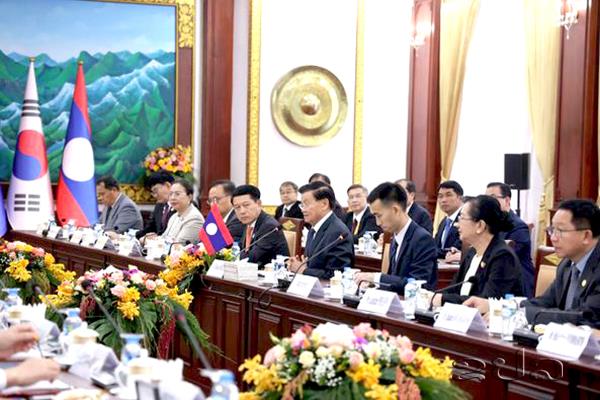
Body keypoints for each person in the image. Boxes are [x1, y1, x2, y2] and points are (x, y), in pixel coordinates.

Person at [464, 199, 600, 328]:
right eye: (552, 230)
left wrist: (521, 315)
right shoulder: (566, 265)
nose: (553, 238)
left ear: (586, 236)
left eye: (560, 231)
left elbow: (587, 317)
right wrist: (496, 307)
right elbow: (544, 302)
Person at [431, 195, 523, 306]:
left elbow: (485, 301)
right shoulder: (472, 253)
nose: (456, 224)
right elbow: (454, 289)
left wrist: (442, 299)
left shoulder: (503, 257)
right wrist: (432, 296)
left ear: (480, 225)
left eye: (462, 218)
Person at [353, 182, 437, 293]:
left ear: (395, 210)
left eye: (379, 216)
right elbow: (394, 281)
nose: (378, 223)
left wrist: (375, 278)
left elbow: (417, 284)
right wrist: (373, 284)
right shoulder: (395, 237)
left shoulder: (422, 239)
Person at [288, 181, 354, 279]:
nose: (303, 209)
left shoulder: (338, 233)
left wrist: (303, 270)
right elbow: (313, 264)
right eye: (302, 205)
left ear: (324, 204)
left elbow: (337, 275)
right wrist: (301, 264)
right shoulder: (313, 228)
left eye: (307, 204)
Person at [485, 182, 535, 297]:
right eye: (486, 198)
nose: (488, 202)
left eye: (492, 198)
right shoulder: (490, 223)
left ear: (507, 200)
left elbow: (505, 257)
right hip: (497, 276)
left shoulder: (518, 227)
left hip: (515, 285)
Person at [232, 185, 289, 266]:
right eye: (237, 207)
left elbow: (252, 258)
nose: (242, 211)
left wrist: (228, 256)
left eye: (246, 205)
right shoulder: (248, 223)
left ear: (258, 203)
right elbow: (242, 250)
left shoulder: (269, 226)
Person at [156, 179, 204, 244]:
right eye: (171, 194)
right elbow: (163, 238)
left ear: (190, 197)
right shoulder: (174, 216)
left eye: (177, 194)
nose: (172, 198)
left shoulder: (195, 218)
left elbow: (179, 245)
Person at [136, 171, 175, 239]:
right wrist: (133, 236)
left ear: (168, 185)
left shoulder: (182, 205)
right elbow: (150, 228)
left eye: (155, 191)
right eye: (153, 193)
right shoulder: (159, 206)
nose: (155, 196)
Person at [434, 180, 464, 261]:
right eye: (440, 196)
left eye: (448, 195)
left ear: (460, 197)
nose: (443, 200)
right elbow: (435, 246)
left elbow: (455, 249)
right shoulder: (444, 221)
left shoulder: (465, 219)